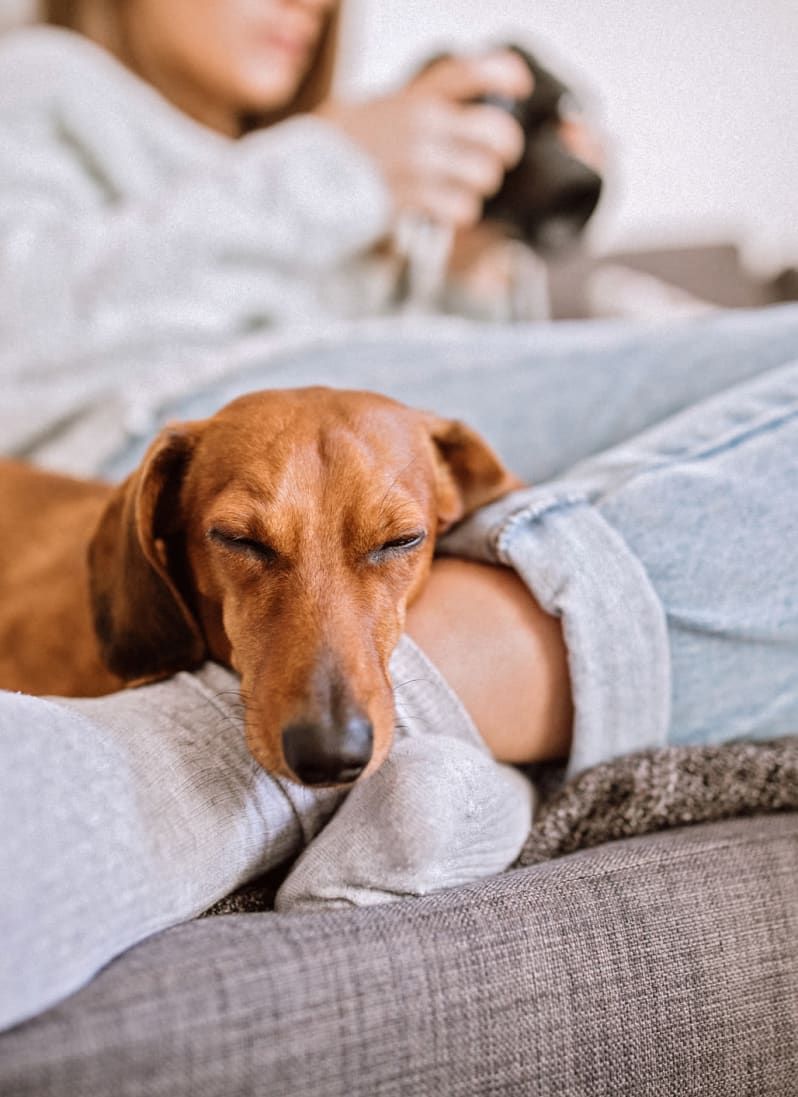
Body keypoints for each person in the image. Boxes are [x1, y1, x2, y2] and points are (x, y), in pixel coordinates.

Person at [0, 0, 796, 1031]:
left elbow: (397, 416)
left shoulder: (289, 157)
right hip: (155, 418)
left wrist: (470, 262)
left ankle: (436, 715)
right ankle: (349, 731)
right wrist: (337, 167)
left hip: (361, 425)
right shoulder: (44, 83)